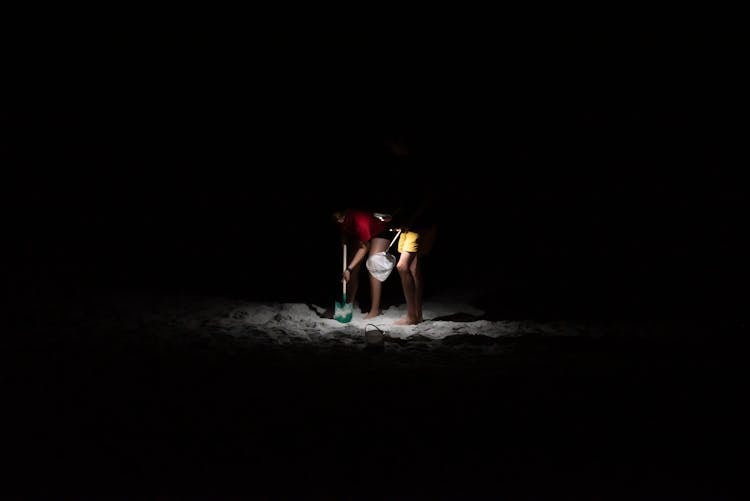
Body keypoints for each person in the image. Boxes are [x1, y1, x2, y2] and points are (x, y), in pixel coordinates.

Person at [333, 208, 394, 319]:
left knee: (374, 264)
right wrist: (344, 238)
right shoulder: (341, 220)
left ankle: (375, 310)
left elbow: (364, 248)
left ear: (345, 212)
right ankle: (348, 303)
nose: (338, 220)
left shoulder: (360, 221)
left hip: (380, 231)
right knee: (352, 264)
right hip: (364, 234)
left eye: (340, 217)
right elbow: (345, 231)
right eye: (335, 218)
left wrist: (348, 269)